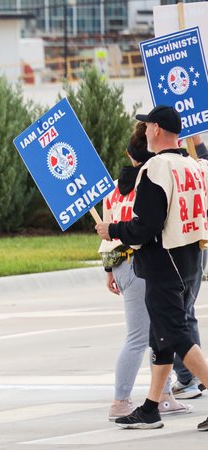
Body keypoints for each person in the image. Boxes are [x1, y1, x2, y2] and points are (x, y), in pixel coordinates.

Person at [96, 106, 208, 431]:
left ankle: (153, 406)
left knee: (175, 334)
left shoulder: (156, 168)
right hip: (189, 260)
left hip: (164, 262)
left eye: (146, 126)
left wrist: (113, 231)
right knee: (159, 335)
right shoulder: (192, 165)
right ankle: (151, 407)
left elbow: (146, 226)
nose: (143, 131)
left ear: (156, 129)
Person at [171, 134, 208, 400]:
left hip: (184, 246)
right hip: (196, 243)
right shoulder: (195, 166)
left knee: (174, 318)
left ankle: (189, 377)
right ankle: (192, 376)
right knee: (185, 313)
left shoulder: (176, 169)